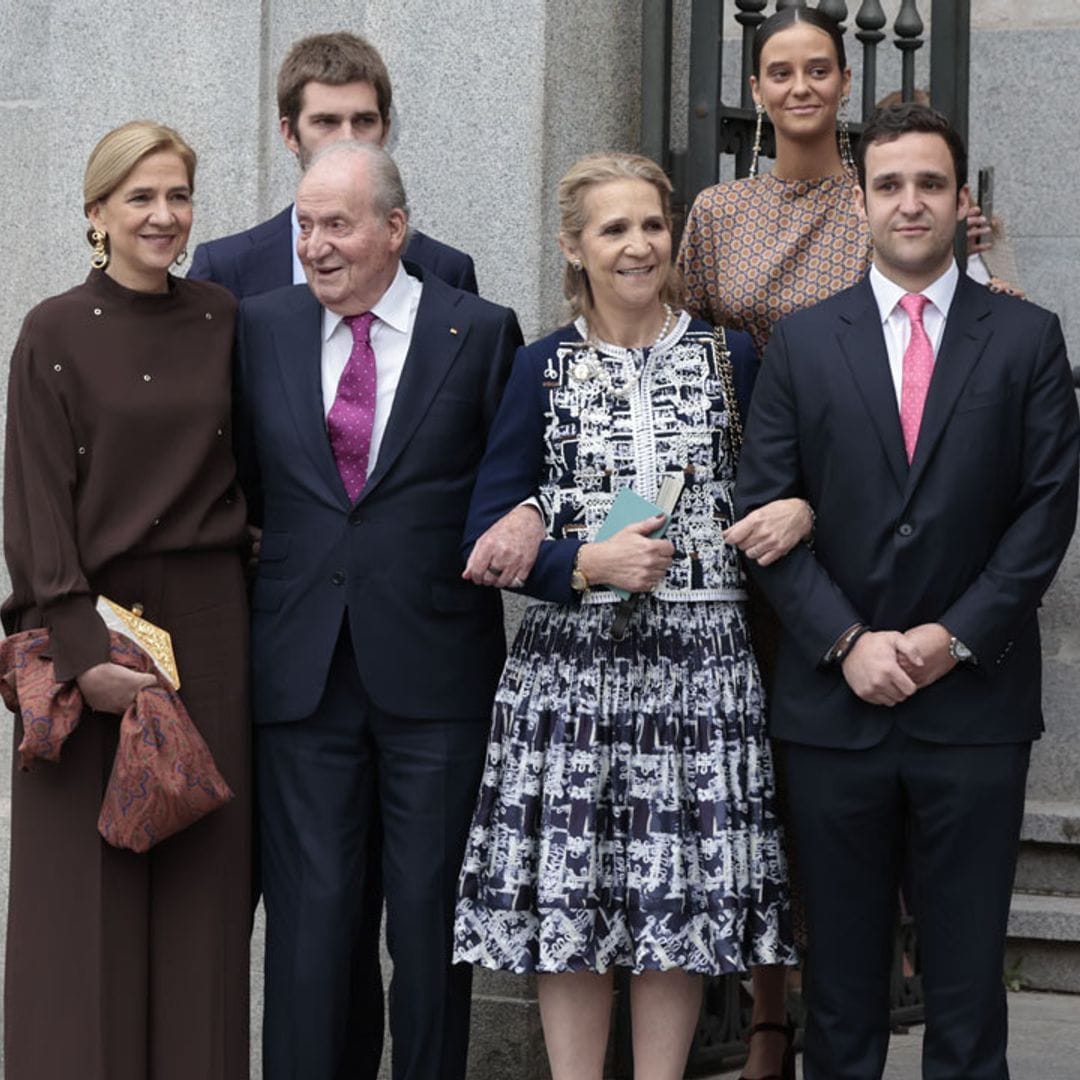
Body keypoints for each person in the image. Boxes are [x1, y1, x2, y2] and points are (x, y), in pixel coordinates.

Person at [734, 103, 1079, 1079]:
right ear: (862, 201)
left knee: (967, 996)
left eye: (930, 183)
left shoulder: (1026, 339)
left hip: (972, 710)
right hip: (834, 710)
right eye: (890, 185)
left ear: (960, 198)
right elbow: (764, 517)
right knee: (840, 998)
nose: (910, 202)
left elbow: (1045, 515)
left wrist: (950, 638)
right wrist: (849, 642)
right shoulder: (801, 345)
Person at [452, 152, 803, 1080]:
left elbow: (782, 485)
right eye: (614, 229)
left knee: (673, 905)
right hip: (572, 670)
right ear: (575, 247)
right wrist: (579, 559)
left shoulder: (732, 357)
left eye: (651, 224)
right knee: (575, 906)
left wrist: (800, 507)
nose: (638, 245)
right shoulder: (540, 366)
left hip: (701, 666)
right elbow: (487, 533)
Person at [233, 139, 521, 1080]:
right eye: (306, 224)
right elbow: (240, 492)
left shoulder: (477, 332)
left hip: (435, 679)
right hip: (302, 681)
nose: (315, 245)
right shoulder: (261, 329)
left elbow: (514, 480)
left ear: (395, 229)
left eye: (339, 225)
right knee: (311, 929)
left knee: (434, 927)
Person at [2, 120, 251, 1080]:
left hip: (211, 626)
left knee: (204, 894)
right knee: (86, 902)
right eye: (139, 197)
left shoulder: (224, 316)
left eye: (177, 196)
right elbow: (33, 499)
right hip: (91, 634)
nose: (162, 215)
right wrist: (79, 652)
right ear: (96, 211)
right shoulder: (52, 329)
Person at [189, 30, 476, 297]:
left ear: (385, 130)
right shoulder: (225, 269)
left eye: (364, 121)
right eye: (326, 122)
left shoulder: (445, 270)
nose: (347, 138)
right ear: (290, 134)